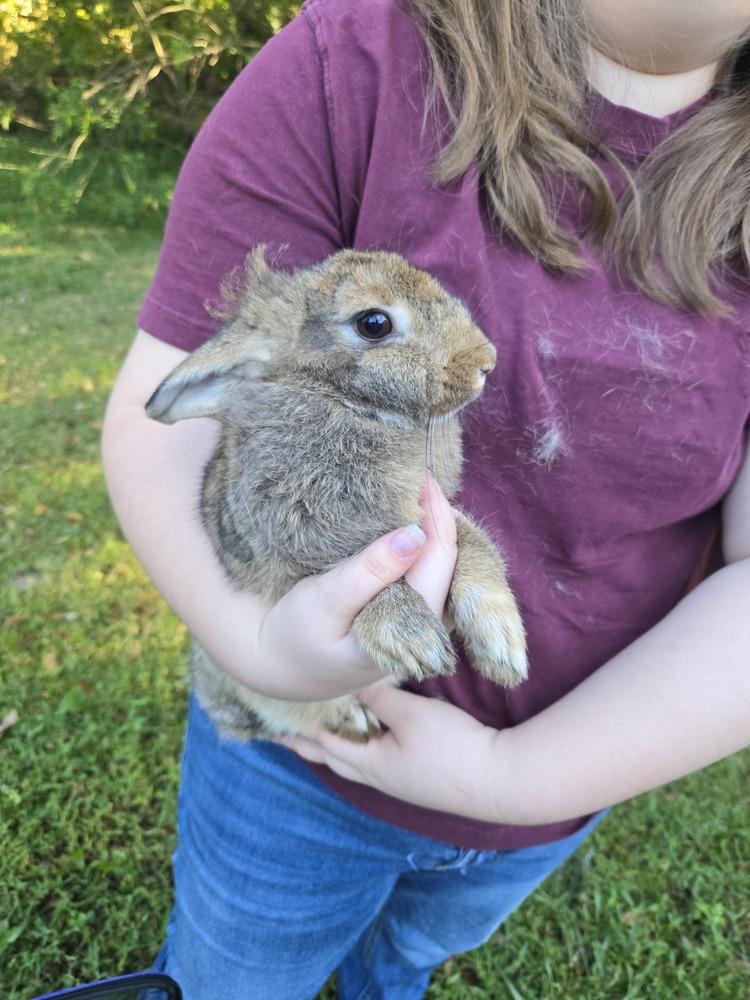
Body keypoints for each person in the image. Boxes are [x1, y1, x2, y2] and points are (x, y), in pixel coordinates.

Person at [101, 0, 750, 996]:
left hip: (549, 794)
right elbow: (167, 425)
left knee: (401, 964)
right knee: (237, 971)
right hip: (300, 752)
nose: (477, 364)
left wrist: (511, 779)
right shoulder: (347, 66)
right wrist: (263, 648)